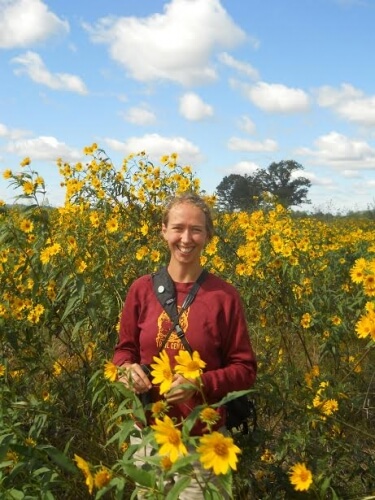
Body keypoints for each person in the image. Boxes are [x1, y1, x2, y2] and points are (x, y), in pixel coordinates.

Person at [113, 192, 257, 498]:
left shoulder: (224, 296)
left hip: (202, 446)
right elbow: (124, 351)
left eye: (196, 229)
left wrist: (201, 383)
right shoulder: (141, 290)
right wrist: (125, 372)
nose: (186, 238)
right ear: (163, 230)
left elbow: (245, 370)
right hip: (148, 440)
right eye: (178, 227)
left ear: (208, 236)